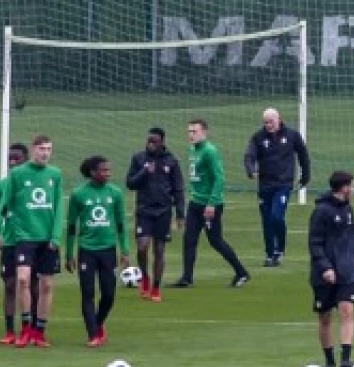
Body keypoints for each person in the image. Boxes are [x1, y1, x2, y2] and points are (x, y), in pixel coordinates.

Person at [0, 134, 63, 348]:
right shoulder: (18, 174)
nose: (45, 153)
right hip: (24, 236)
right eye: (41, 149)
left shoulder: (55, 175)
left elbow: (58, 207)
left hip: (47, 238)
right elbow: (3, 204)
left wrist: (56, 236)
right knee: (22, 280)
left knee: (46, 285)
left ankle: (39, 331)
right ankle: (25, 329)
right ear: (33, 150)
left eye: (48, 149)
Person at [174, 118, 251, 288]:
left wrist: (212, 203)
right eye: (189, 132)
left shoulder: (209, 151)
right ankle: (187, 278)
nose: (191, 135)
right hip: (195, 202)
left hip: (209, 204)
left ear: (204, 132)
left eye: (195, 131)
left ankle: (241, 272)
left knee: (215, 241)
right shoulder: (193, 149)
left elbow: (219, 178)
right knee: (189, 239)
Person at [309, 170, 354, 367]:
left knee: (346, 310)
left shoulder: (349, 210)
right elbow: (314, 243)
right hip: (323, 275)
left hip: (347, 271)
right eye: (352, 186)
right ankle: (329, 361)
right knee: (325, 318)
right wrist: (325, 268)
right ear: (343, 188)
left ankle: (345, 360)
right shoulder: (321, 212)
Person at [67, 156, 131, 347]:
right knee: (87, 293)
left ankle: (98, 323)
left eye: (109, 170)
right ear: (92, 172)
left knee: (109, 295)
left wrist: (125, 250)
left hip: (108, 250)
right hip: (86, 250)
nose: (108, 173)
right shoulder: (79, 194)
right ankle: (93, 334)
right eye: (103, 170)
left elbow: (121, 224)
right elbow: (71, 226)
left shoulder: (115, 193)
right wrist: (69, 254)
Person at [244, 107, 311, 268]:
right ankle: (269, 254)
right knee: (266, 220)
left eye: (271, 121)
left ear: (279, 119)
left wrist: (305, 176)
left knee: (276, 216)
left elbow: (303, 155)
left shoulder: (292, 135)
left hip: (283, 184)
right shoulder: (258, 137)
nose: (268, 125)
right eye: (265, 122)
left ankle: (279, 249)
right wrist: (251, 170)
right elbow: (249, 155)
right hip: (265, 185)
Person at [126, 127, 185, 300]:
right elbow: (130, 183)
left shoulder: (172, 161)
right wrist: (144, 172)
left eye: (154, 142)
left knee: (159, 250)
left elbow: (178, 188)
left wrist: (180, 214)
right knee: (142, 247)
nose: (150, 144)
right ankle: (144, 276)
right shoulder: (138, 159)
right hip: (144, 210)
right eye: (148, 141)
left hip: (163, 211)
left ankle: (156, 288)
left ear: (162, 142)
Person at [0, 143, 29, 344]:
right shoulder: (2, 185)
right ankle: (9, 330)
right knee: (9, 284)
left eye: (17, 158)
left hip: (31, 240)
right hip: (9, 241)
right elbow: (0, 212)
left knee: (31, 284)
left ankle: (32, 329)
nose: (13, 162)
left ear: (25, 158)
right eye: (10, 158)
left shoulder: (33, 182)